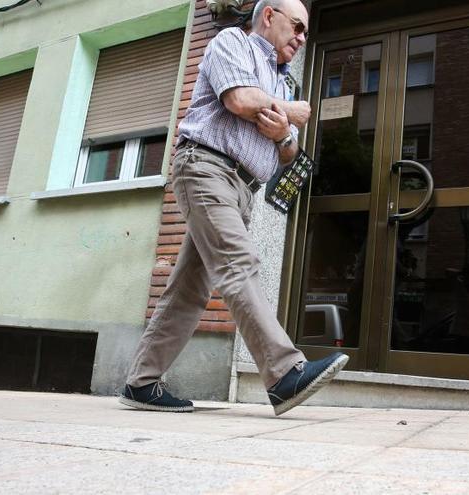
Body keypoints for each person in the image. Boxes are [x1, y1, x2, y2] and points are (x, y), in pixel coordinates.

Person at [119, 0, 348, 416]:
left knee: (190, 288)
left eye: (305, 33)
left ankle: (142, 382)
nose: (301, 38)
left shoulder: (283, 84)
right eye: (297, 26)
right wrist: (291, 113)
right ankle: (284, 373)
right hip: (206, 168)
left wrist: (283, 134)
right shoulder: (232, 43)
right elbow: (240, 99)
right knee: (239, 263)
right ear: (268, 15)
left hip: (243, 188)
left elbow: (288, 153)